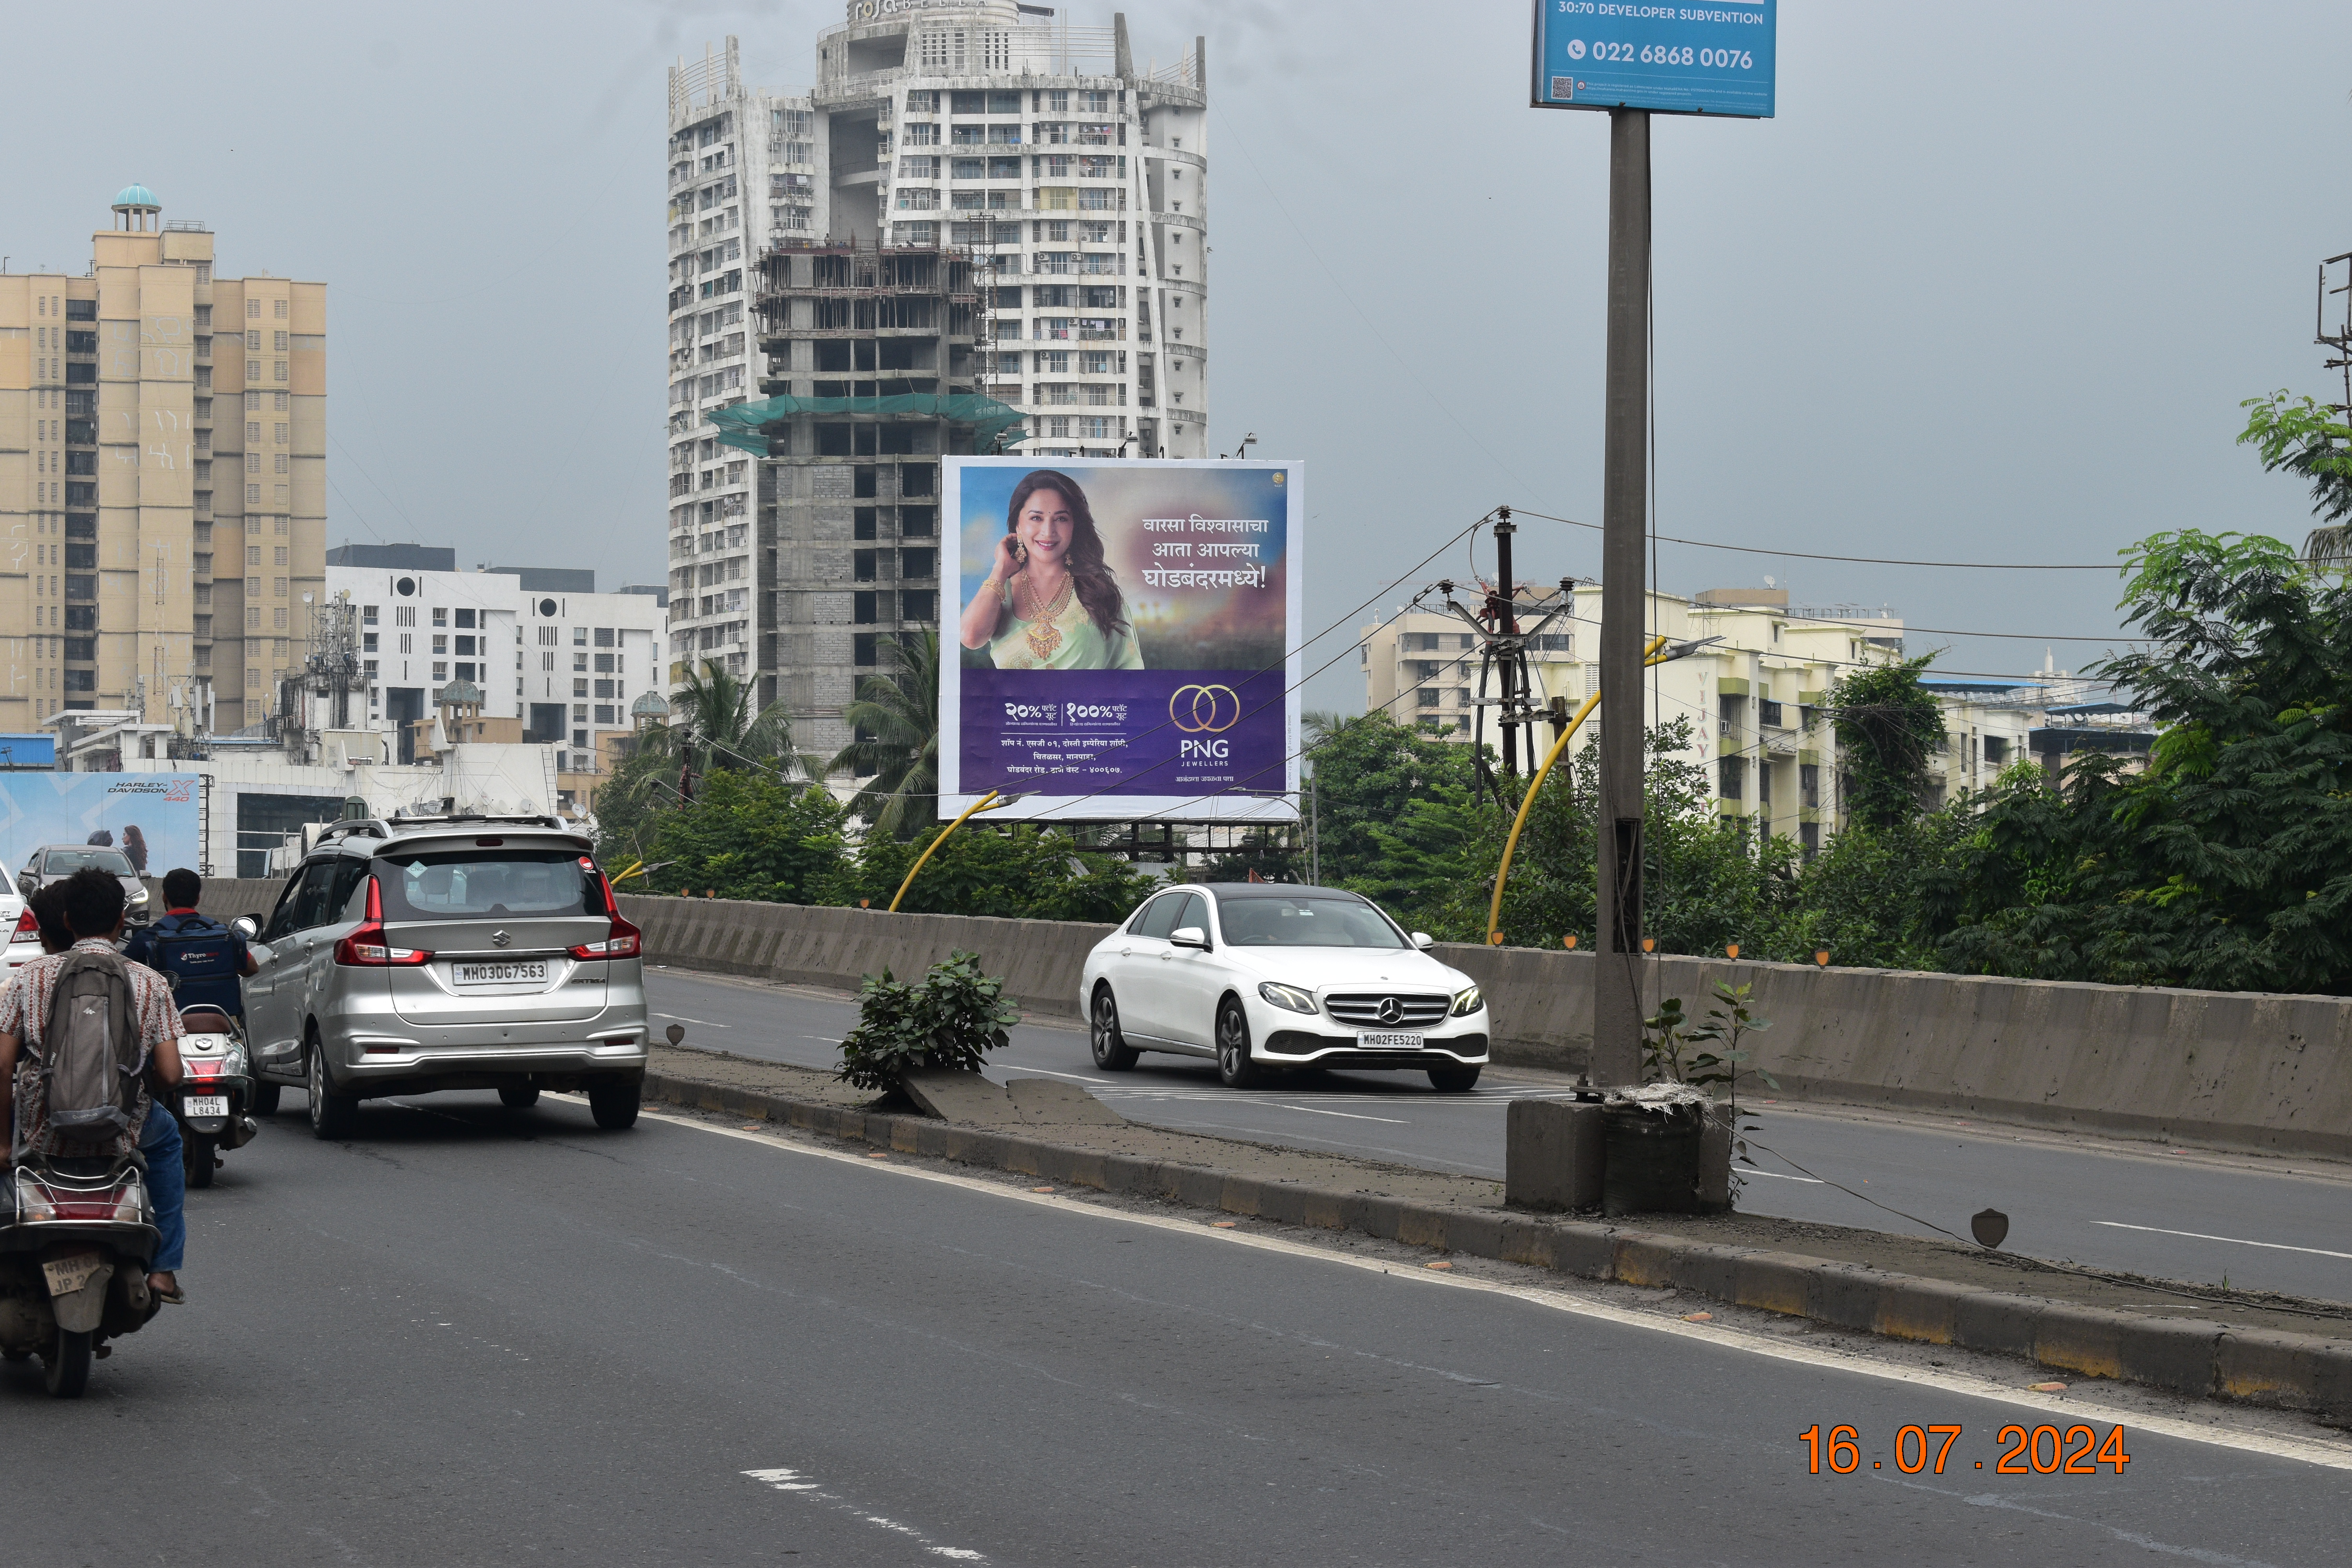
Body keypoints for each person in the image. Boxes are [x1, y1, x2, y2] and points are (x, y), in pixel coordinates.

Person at [0, 870, 188, 1305]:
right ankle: (164, 1270)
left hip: (42, 1131)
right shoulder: (149, 982)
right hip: (123, 1130)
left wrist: (3, 1143)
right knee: (168, 1141)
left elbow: (4, 1063)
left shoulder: (30, 978)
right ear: (122, 922)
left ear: (66, 920)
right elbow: (172, 1074)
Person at [957, 468, 1145, 670]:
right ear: (1018, 526)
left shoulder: (1100, 592)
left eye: (1061, 519)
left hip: (1086, 703)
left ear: (1075, 526)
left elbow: (1129, 668)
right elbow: (970, 639)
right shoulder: (1000, 593)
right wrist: (1001, 569)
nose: (1048, 532)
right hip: (1016, 703)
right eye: (1036, 518)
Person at [125, 867, 257, 1022]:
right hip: (223, 1022)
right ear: (198, 899)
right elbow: (252, 969)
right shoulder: (223, 934)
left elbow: (122, 976)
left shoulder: (146, 938)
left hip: (169, 1025)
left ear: (164, 897)